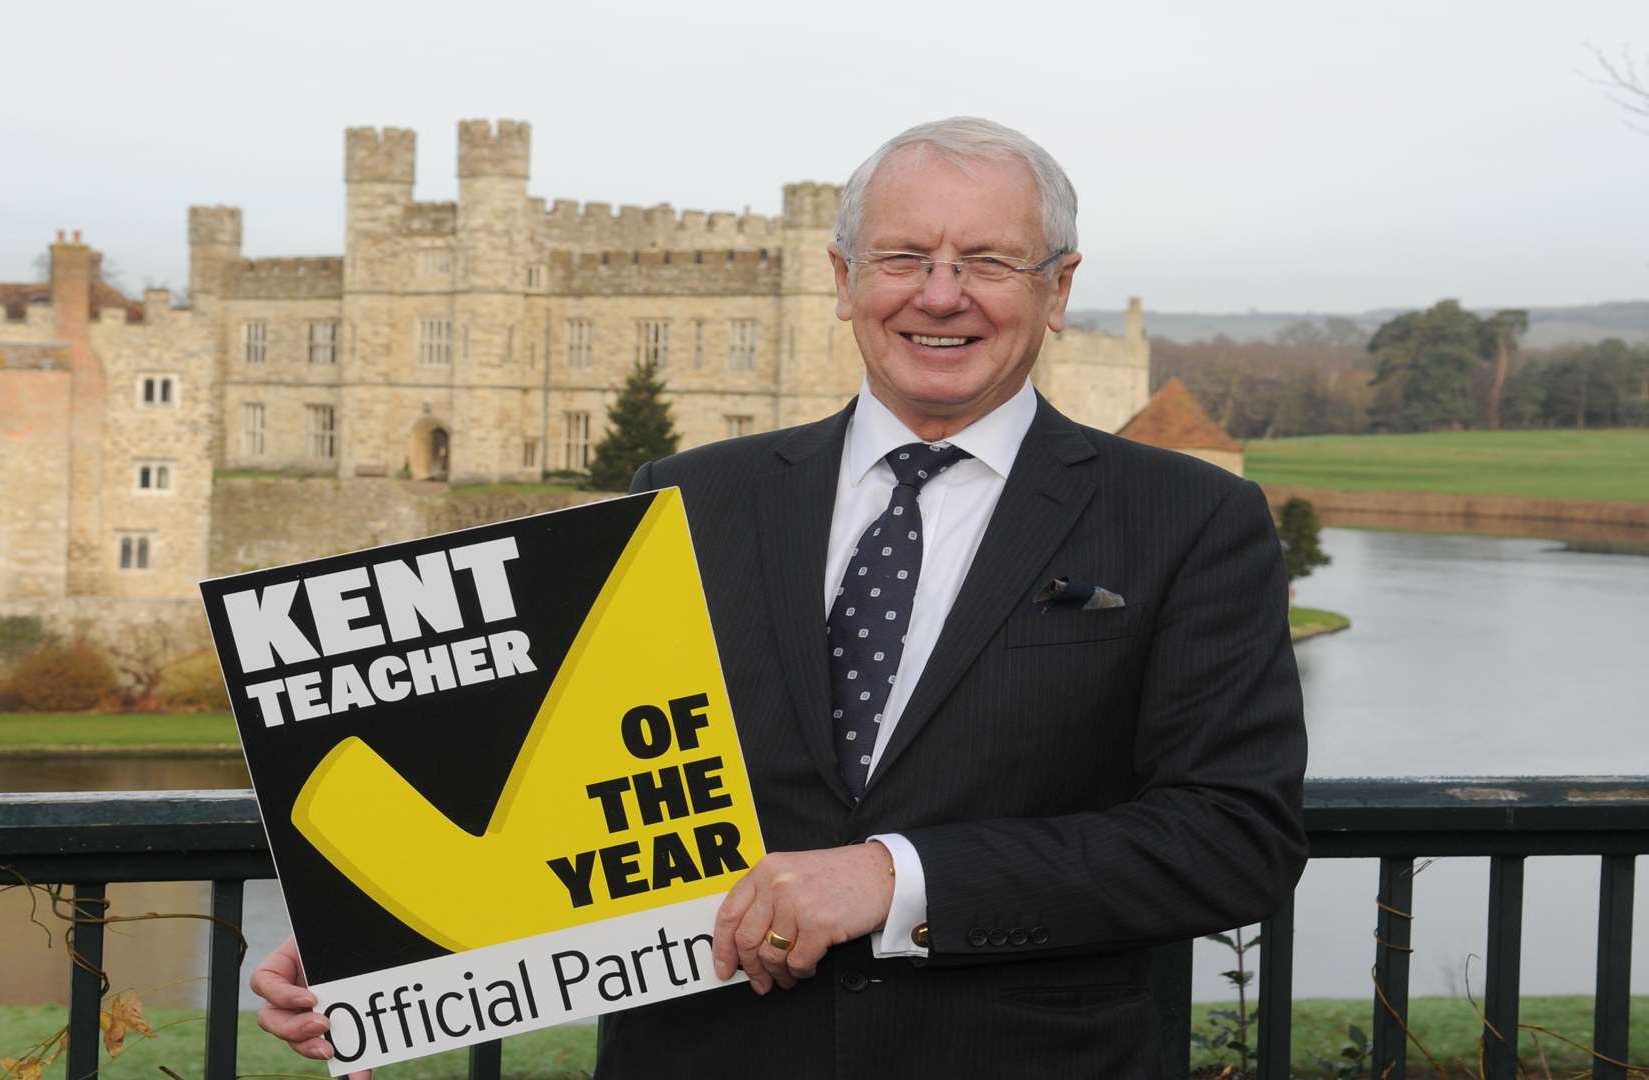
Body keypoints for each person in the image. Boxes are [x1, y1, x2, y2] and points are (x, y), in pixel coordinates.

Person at [254, 116, 1308, 1078]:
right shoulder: (687, 498)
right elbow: (583, 793)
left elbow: (1232, 837)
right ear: (844, 276)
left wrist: (898, 879)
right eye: (903, 257)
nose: (940, 294)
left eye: (988, 260)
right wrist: (384, 944)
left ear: (1059, 287)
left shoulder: (1190, 520)